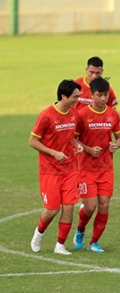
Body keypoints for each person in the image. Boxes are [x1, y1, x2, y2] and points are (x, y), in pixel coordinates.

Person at [29, 80, 84, 255]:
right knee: (52, 209)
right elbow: (33, 141)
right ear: (63, 96)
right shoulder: (46, 116)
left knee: (68, 207)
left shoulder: (74, 114)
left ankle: (60, 245)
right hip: (50, 170)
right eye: (75, 97)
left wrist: (78, 145)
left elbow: (70, 137)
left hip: (69, 169)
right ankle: (39, 232)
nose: (78, 99)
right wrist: (53, 153)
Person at [73, 78, 120, 253]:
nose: (103, 99)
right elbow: (73, 137)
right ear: (92, 95)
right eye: (99, 95)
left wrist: (115, 145)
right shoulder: (81, 115)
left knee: (104, 205)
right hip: (86, 168)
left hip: (106, 168)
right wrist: (87, 149)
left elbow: (119, 138)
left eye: (105, 95)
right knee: (90, 207)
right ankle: (80, 230)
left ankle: (94, 242)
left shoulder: (113, 115)